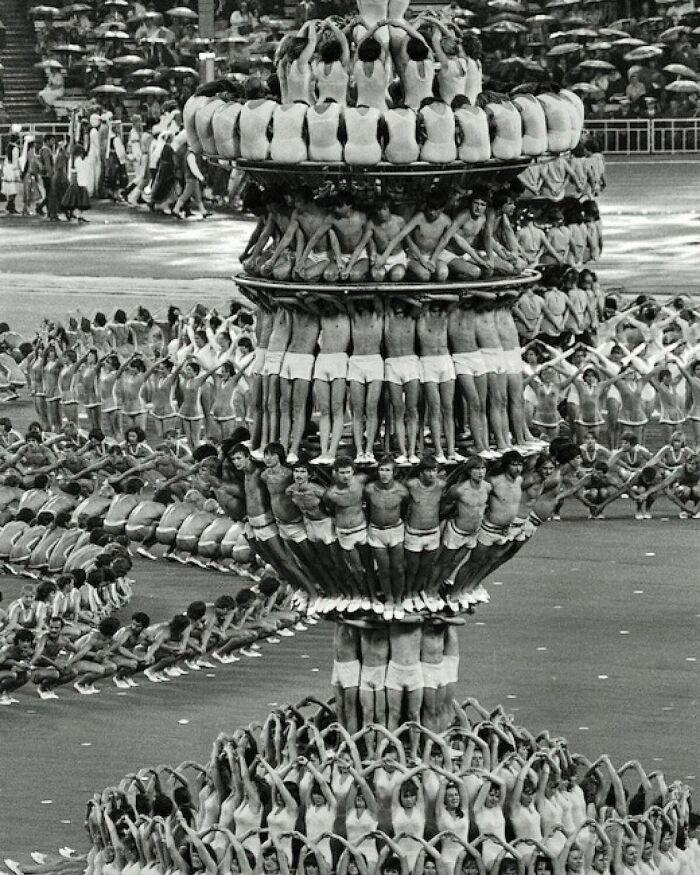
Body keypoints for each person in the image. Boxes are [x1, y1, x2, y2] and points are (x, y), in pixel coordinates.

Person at [364, 457, 408, 618]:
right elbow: (368, 509)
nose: (384, 473)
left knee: (398, 568)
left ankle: (398, 599)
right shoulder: (369, 489)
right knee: (383, 569)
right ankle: (389, 599)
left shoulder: (402, 491)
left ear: (394, 472)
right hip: (376, 531)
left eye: (388, 470)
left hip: (395, 530)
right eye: (382, 469)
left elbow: (405, 509)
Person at [417, 300, 458, 463]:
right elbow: (424, 304)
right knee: (434, 408)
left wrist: (436, 296)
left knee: (448, 408)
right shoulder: (422, 316)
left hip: (445, 361)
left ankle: (451, 450)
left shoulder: (444, 316)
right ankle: (439, 450)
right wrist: (429, 298)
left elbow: (454, 301)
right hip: (428, 362)